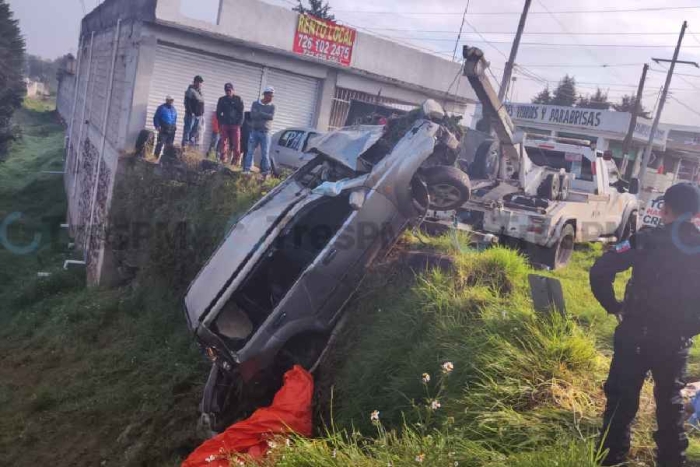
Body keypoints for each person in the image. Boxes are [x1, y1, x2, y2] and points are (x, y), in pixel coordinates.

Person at [590, 183, 700, 467]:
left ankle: (611, 460)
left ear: (665, 209)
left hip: (634, 336)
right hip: (674, 342)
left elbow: (601, 270)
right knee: (670, 406)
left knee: (620, 404)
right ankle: (672, 461)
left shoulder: (646, 239)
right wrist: (689, 329)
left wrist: (613, 306)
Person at [244, 86, 276, 177]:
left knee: (265, 153)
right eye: (270, 95)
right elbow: (253, 115)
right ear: (265, 95)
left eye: (272, 96)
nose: (271, 98)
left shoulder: (273, 106)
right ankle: (247, 169)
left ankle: (266, 171)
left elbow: (271, 117)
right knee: (250, 151)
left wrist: (260, 113)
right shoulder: (255, 103)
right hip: (254, 131)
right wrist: (263, 115)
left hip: (265, 132)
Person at [216, 82, 245, 165]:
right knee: (223, 142)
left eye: (229, 90)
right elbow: (218, 112)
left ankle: (236, 160)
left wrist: (239, 124)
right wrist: (221, 122)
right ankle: (223, 158)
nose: (228, 92)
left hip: (235, 125)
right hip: (225, 124)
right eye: (226, 91)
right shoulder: (222, 99)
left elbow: (241, 112)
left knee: (236, 143)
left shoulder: (238, 99)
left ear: (233, 90)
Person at [183, 75, 205, 147]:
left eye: (201, 83)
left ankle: (190, 146)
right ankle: (185, 145)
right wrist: (190, 112)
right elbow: (187, 102)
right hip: (191, 115)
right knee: (188, 130)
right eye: (198, 82)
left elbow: (201, 104)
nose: (199, 84)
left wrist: (202, 114)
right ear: (194, 82)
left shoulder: (200, 92)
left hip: (198, 116)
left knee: (194, 132)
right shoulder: (190, 90)